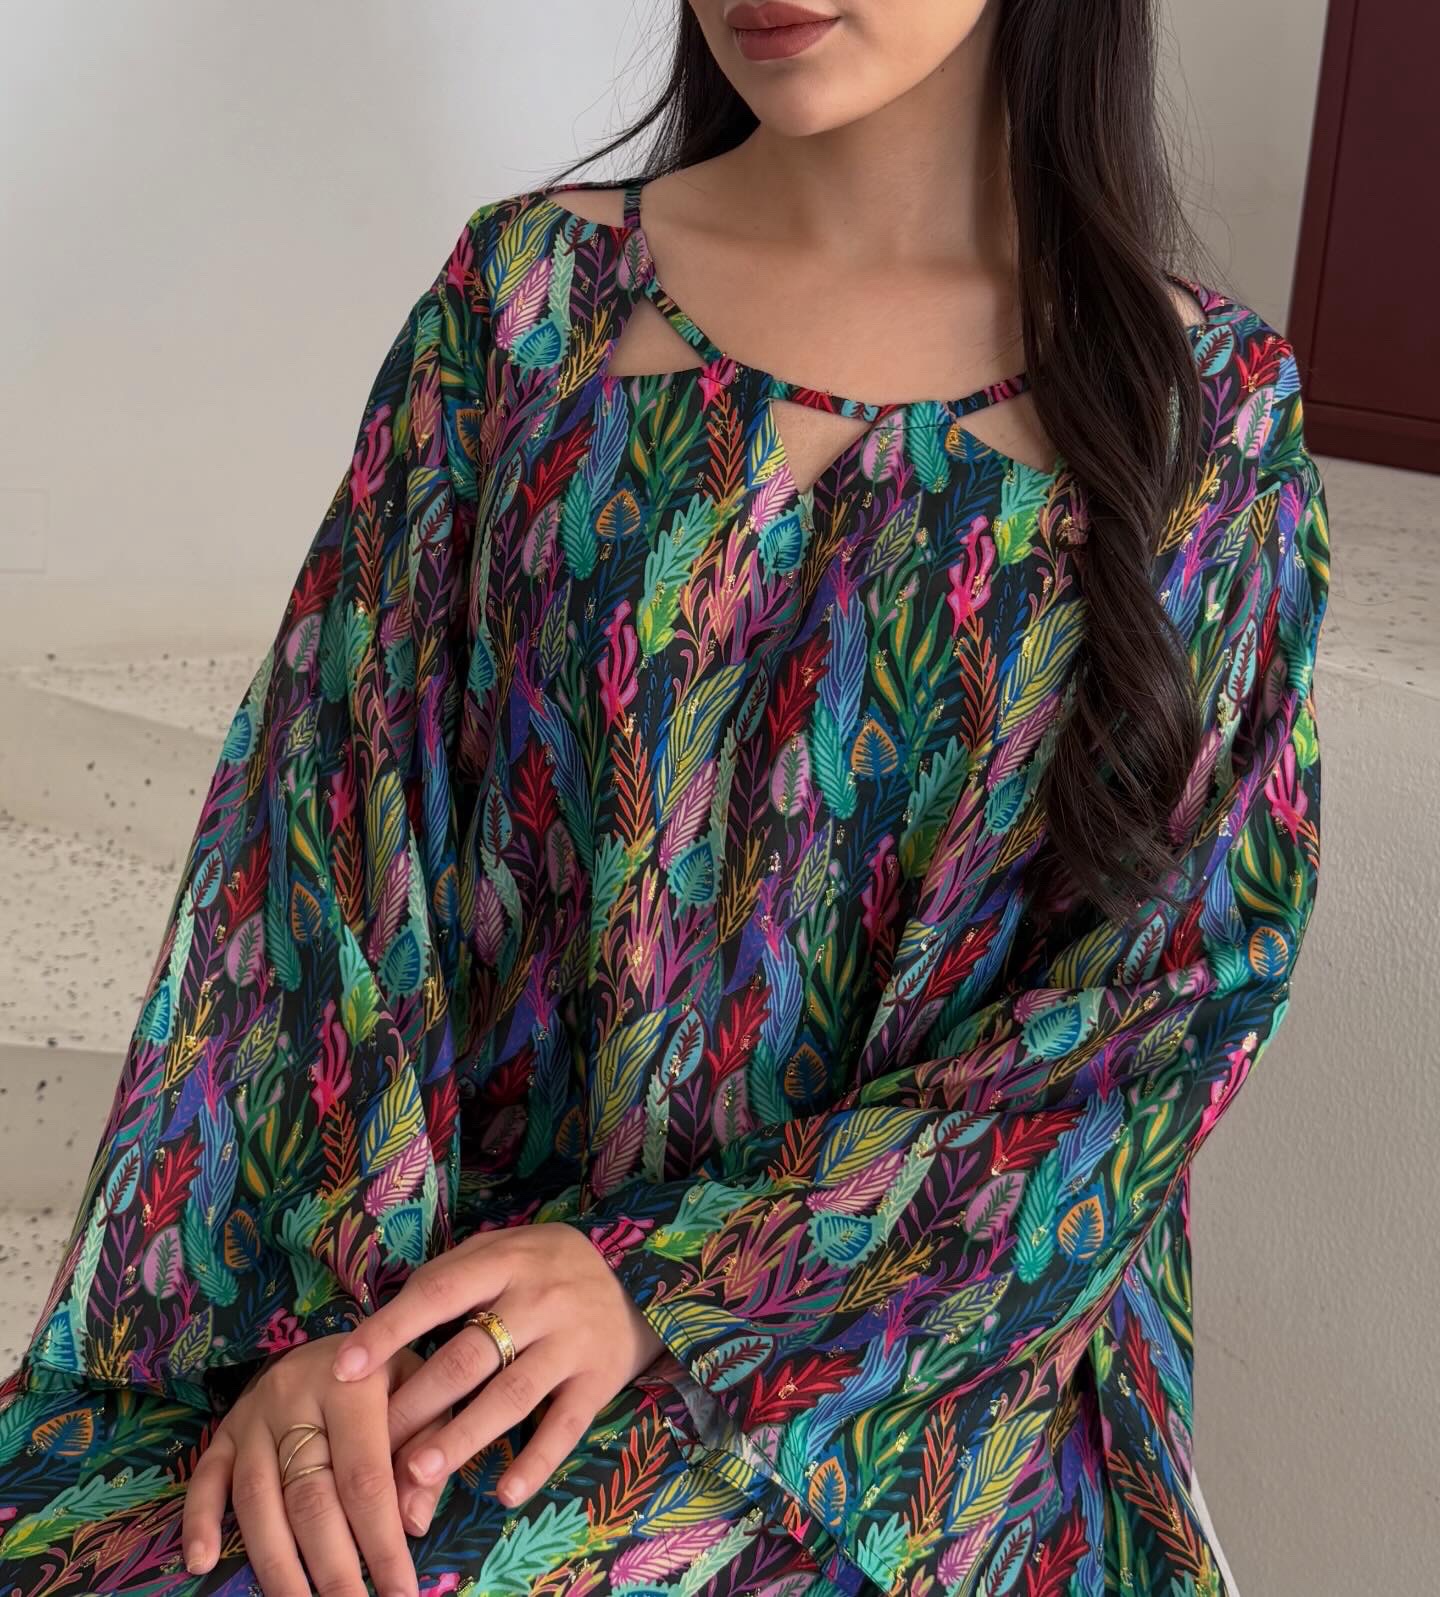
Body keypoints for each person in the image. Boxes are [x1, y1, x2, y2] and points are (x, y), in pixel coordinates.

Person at [0, 1, 1329, 1594]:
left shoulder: (1203, 419)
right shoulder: (524, 307)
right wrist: (315, 1341)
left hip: (883, 1395)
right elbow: (320, 840)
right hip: (437, 1299)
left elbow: (1159, 1011)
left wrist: (670, 1283)